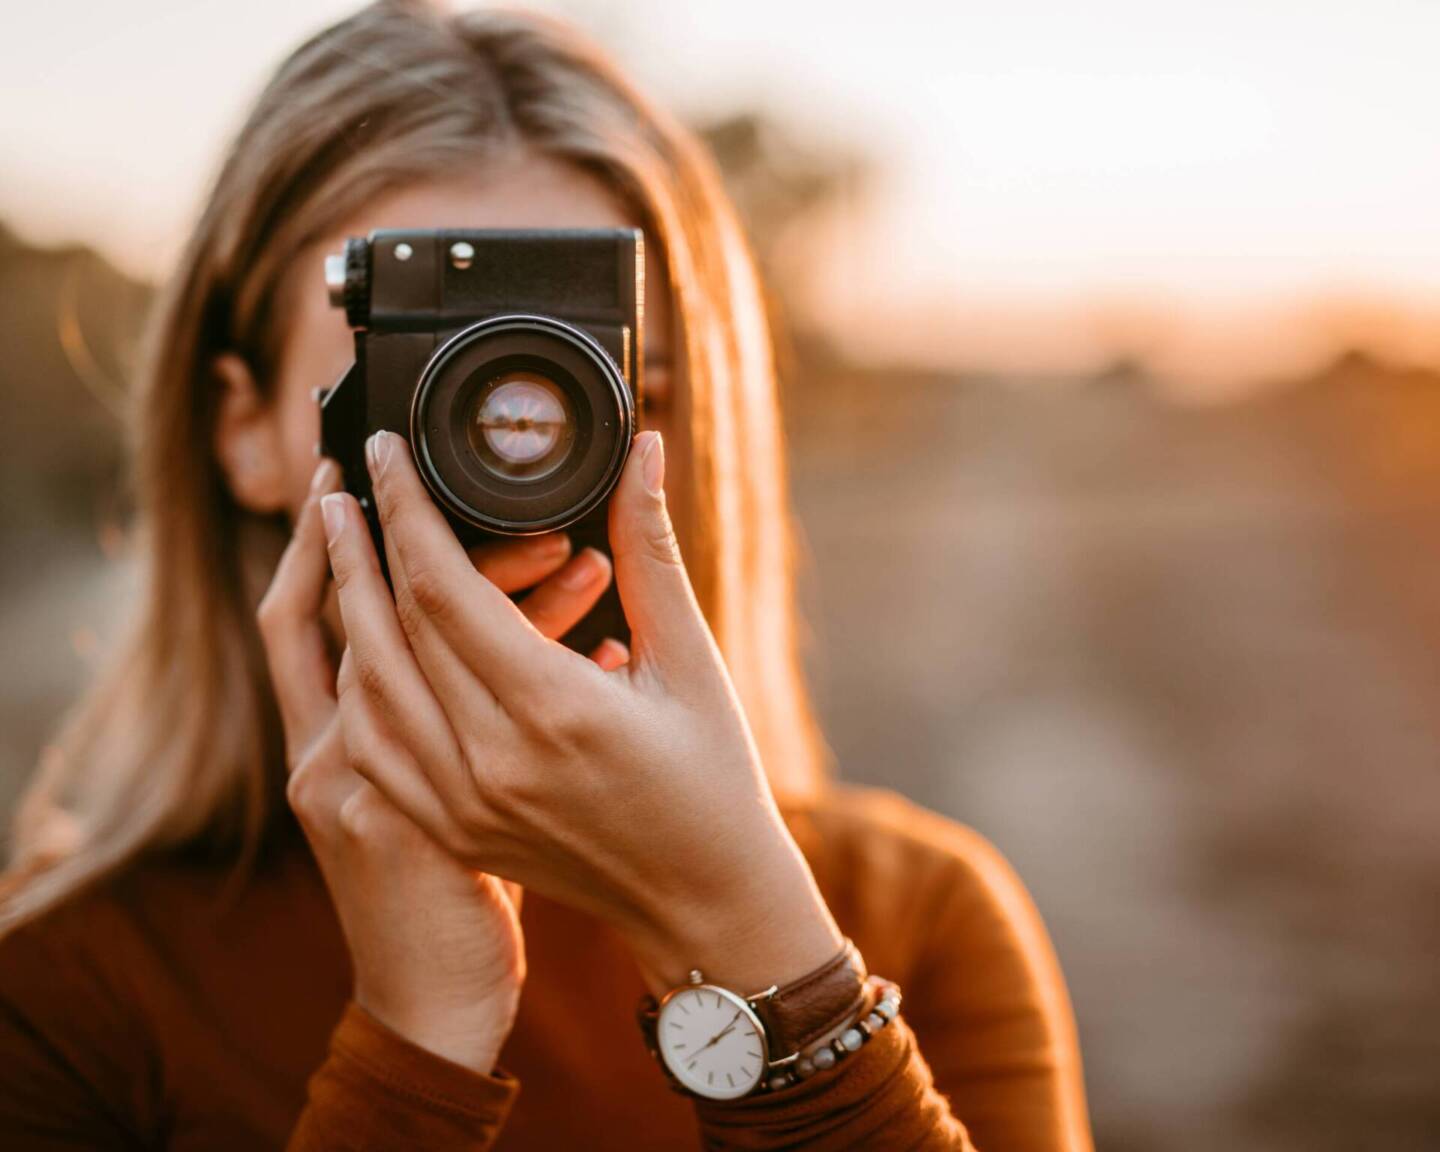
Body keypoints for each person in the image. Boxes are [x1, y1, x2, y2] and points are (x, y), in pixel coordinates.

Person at [0, 3, 1092, 1148]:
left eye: (610, 399)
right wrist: (415, 1032)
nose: (519, 483)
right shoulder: (67, 996)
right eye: (435, 402)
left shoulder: (913, 920)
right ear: (247, 430)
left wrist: (753, 939)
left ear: (701, 429)